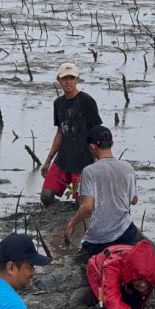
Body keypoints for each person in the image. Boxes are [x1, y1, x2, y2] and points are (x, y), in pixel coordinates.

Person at [65, 125, 142, 256]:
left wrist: (71, 224)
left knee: (79, 265)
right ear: (112, 143)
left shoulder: (89, 171)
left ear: (92, 147)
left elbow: (88, 207)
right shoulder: (128, 168)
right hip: (126, 233)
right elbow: (134, 200)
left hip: (99, 239)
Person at [41, 62, 103, 206]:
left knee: (82, 202)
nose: (68, 81)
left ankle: (78, 217)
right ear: (59, 80)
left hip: (83, 160)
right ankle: (63, 216)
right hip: (63, 158)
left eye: (72, 78)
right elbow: (60, 131)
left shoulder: (87, 101)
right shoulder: (58, 103)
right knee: (46, 196)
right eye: (65, 78)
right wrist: (48, 160)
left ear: (77, 79)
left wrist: (98, 161)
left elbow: (96, 131)